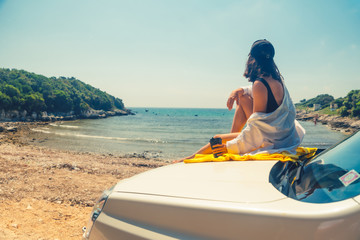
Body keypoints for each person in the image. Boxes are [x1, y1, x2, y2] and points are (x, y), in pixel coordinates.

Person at [175, 39, 305, 162]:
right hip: (283, 135)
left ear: (251, 58)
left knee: (217, 139)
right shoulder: (277, 79)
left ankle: (188, 158)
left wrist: (230, 147)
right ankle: (233, 137)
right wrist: (238, 90)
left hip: (271, 141)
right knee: (242, 97)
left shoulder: (260, 84)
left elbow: (256, 130)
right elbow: (257, 92)